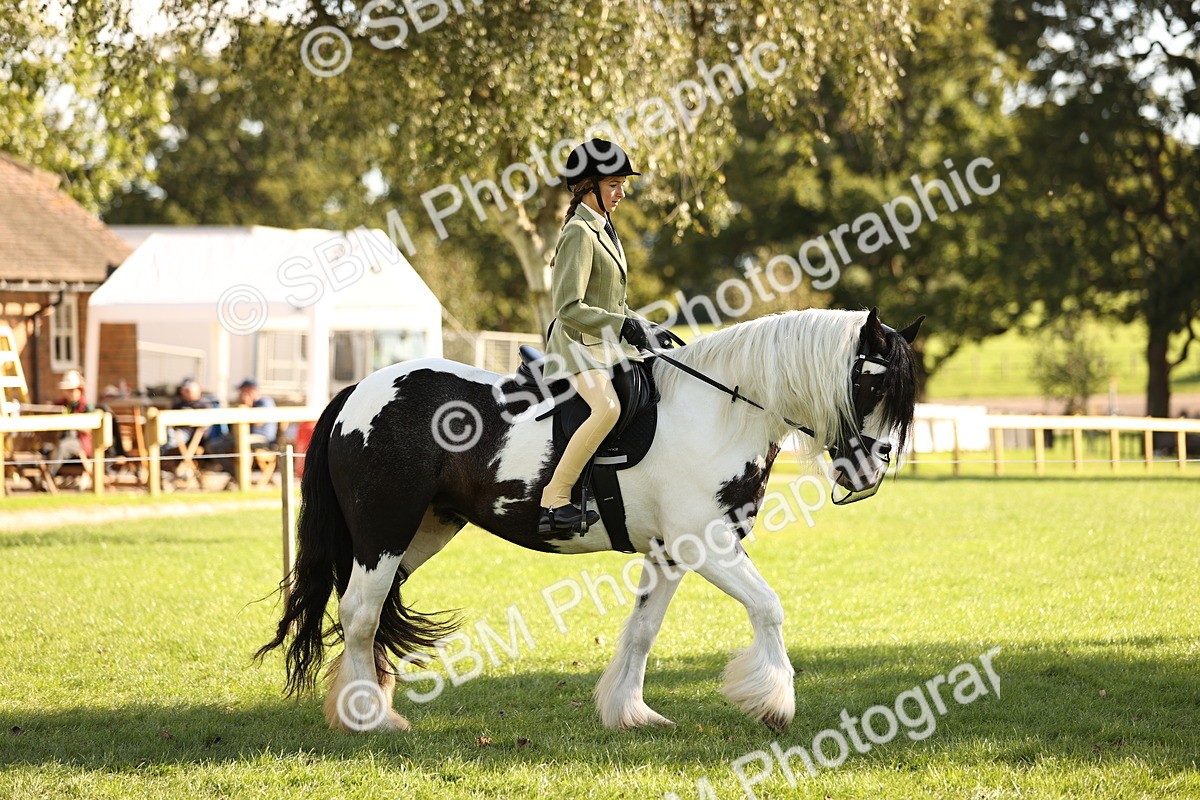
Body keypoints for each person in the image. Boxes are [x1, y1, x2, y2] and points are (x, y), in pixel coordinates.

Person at [537, 138, 660, 534]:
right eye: (613, 185)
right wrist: (621, 326)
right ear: (587, 187)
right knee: (606, 408)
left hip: (603, 346)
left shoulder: (604, 229)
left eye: (622, 184)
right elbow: (568, 308)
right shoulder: (579, 232)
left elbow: (613, 302)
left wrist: (644, 326)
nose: (621, 193)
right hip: (575, 346)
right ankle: (555, 498)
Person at [47, 370, 94, 483]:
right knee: (47, 447)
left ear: (79, 390)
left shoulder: (86, 406)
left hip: (80, 442)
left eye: (72, 390)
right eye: (67, 390)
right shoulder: (62, 404)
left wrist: (75, 423)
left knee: (63, 446)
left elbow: (90, 430)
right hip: (61, 438)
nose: (69, 393)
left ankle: (48, 476)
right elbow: (51, 411)